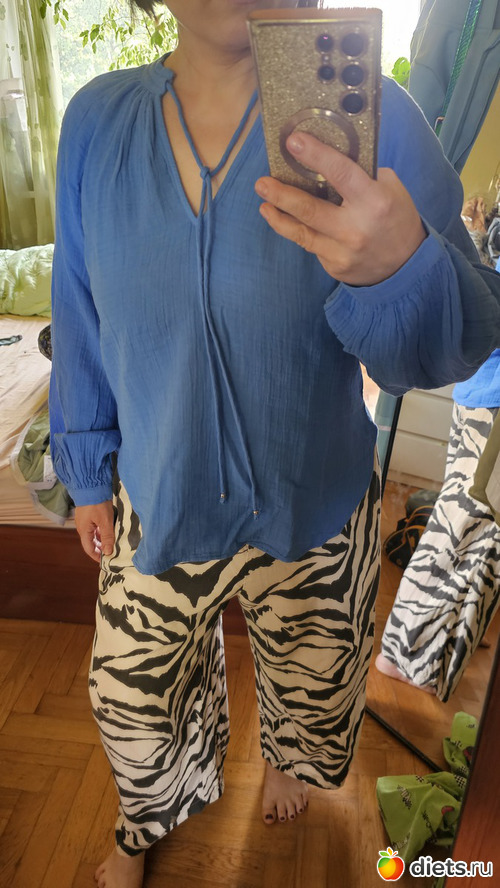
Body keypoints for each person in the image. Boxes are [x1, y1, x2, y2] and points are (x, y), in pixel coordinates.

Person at [48, 2, 500, 887]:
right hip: (160, 493)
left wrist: (402, 267)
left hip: (316, 501)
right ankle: (146, 819)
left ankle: (289, 757)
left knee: (316, 676)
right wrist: (86, 464)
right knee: (131, 701)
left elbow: (464, 334)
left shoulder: (368, 113)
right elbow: (78, 301)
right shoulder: (99, 124)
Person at [376, 350, 500, 700]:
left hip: (486, 390)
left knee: (469, 534)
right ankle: (402, 657)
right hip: (492, 398)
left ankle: (451, 631)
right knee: (464, 535)